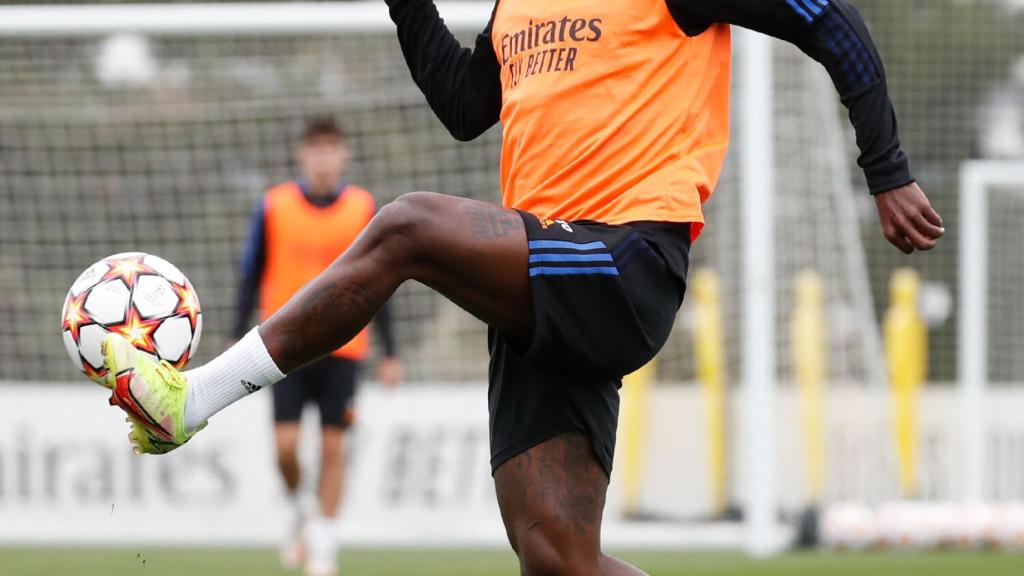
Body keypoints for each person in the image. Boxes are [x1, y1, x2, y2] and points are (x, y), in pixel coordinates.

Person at [100, 1, 944, 574]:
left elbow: (825, 19)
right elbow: (469, 104)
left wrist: (887, 170)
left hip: (625, 259)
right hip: (545, 281)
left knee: (407, 227)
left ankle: (193, 399)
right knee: (556, 559)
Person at [233, 116, 402, 576]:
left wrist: (390, 353)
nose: (324, 158)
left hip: (344, 350)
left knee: (333, 449)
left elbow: (381, 282)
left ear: (343, 154)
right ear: (302, 155)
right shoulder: (275, 207)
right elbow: (251, 275)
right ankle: (297, 507)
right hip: (282, 349)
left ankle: (323, 545)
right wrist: (235, 337)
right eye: (316, 148)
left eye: (332, 148)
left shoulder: (364, 208)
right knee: (285, 448)